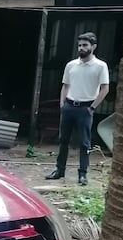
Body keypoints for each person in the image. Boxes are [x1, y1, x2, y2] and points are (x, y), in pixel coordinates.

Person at [45, 32, 109, 186]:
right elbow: (65, 85)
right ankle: (59, 170)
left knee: (84, 143)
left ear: (93, 47)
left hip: (85, 108)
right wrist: (62, 104)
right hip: (69, 106)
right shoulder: (71, 65)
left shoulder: (100, 66)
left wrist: (93, 107)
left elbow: (105, 88)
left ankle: (83, 174)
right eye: (80, 45)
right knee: (63, 140)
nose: (81, 48)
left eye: (85, 45)